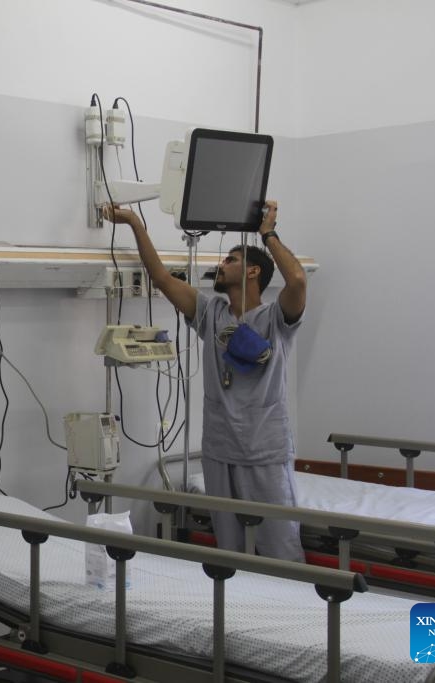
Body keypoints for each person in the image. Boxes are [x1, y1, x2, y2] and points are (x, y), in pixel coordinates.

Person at [105, 201, 307, 562]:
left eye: (230, 260)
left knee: (281, 551)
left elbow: (297, 280)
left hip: (265, 453)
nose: (220, 264)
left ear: (252, 272)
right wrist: (135, 222)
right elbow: (163, 279)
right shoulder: (210, 313)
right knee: (227, 555)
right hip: (219, 452)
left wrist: (268, 234)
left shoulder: (277, 320)